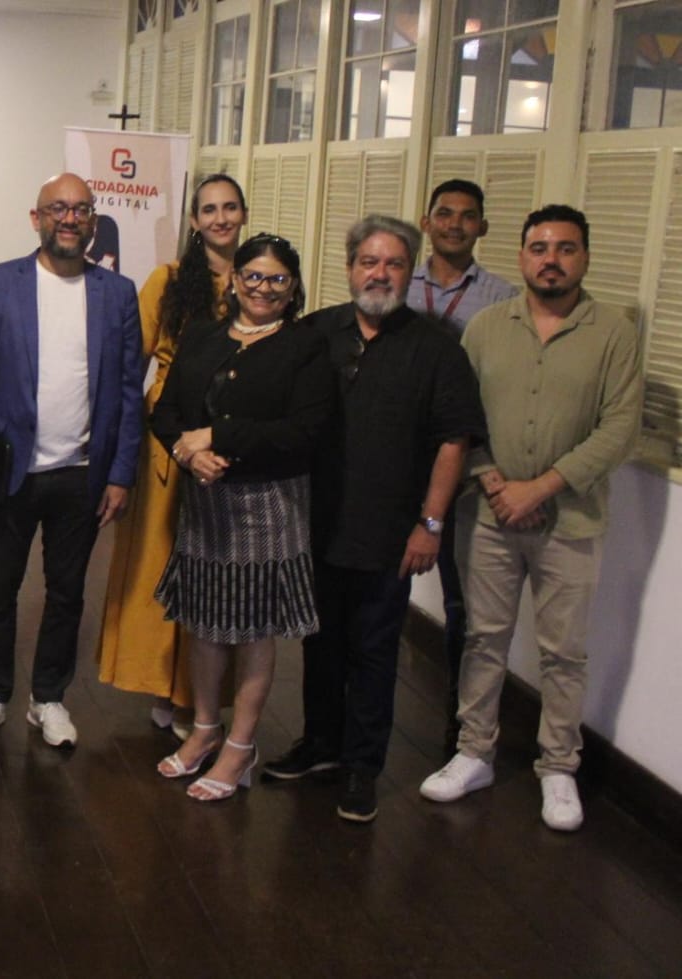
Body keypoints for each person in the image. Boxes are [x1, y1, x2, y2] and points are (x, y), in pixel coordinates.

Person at [420, 205, 641, 832]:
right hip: (490, 516)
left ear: (584, 257)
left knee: (563, 651)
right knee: (483, 638)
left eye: (565, 249)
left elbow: (620, 429)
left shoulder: (614, 333)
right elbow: (462, 415)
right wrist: (494, 481)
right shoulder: (488, 327)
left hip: (571, 521)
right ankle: (474, 752)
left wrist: (541, 487)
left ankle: (559, 767)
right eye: (540, 248)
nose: (551, 260)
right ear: (521, 256)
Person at [264, 216, 487, 824]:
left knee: (374, 650)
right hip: (314, 523)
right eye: (369, 261)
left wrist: (430, 525)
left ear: (410, 271)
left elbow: (454, 441)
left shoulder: (436, 348)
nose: (379, 274)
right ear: (349, 268)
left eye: (393, 263)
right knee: (319, 642)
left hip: (390, 533)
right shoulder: (316, 333)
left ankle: (363, 766)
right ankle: (320, 745)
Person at [0, 173, 143, 750]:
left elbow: (129, 391)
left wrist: (121, 473)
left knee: (67, 593)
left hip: (82, 474)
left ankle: (48, 698)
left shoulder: (117, 293)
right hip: (9, 469)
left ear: (93, 222)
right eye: (57, 208)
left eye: (81, 210)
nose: (69, 219)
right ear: (36, 218)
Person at [151, 233, 333, 801]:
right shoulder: (203, 335)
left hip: (268, 504)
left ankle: (241, 745)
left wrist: (218, 437)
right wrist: (187, 452)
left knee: (253, 628)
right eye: (253, 275)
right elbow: (167, 410)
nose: (263, 288)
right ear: (234, 280)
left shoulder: (305, 346)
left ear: (293, 288)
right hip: (204, 501)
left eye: (278, 279)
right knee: (204, 621)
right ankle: (206, 729)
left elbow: (305, 432)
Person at [96, 174, 248, 737]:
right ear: (194, 221)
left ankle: (199, 699)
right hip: (168, 433)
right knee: (160, 563)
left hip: (230, 437)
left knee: (218, 568)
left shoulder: (257, 277)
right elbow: (131, 362)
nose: (220, 219)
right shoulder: (169, 279)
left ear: (243, 214)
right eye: (209, 209)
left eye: (229, 208)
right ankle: (165, 684)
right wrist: (119, 443)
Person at [407, 178, 519, 753]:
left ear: (483, 228)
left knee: (462, 603)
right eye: (444, 213)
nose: (455, 224)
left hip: (464, 465)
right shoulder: (398, 284)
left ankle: (460, 719)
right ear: (426, 222)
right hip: (398, 462)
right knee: (376, 588)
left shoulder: (503, 300)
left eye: (467, 216)